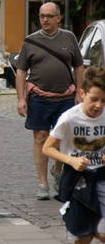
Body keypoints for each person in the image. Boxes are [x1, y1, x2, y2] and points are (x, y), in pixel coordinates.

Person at [15, 2, 84, 200]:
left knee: (62, 138)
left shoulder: (69, 38)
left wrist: (79, 93)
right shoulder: (30, 40)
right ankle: (42, 183)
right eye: (42, 16)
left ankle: (58, 170)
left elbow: (79, 66)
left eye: (49, 16)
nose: (45, 19)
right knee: (41, 137)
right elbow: (21, 71)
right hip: (39, 96)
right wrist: (21, 99)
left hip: (66, 96)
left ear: (58, 18)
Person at [43, 67, 105, 244]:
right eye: (94, 99)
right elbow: (47, 148)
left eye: (104, 100)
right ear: (82, 93)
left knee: (102, 233)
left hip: (101, 176)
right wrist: (71, 160)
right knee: (83, 235)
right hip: (78, 180)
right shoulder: (69, 118)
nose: (99, 105)